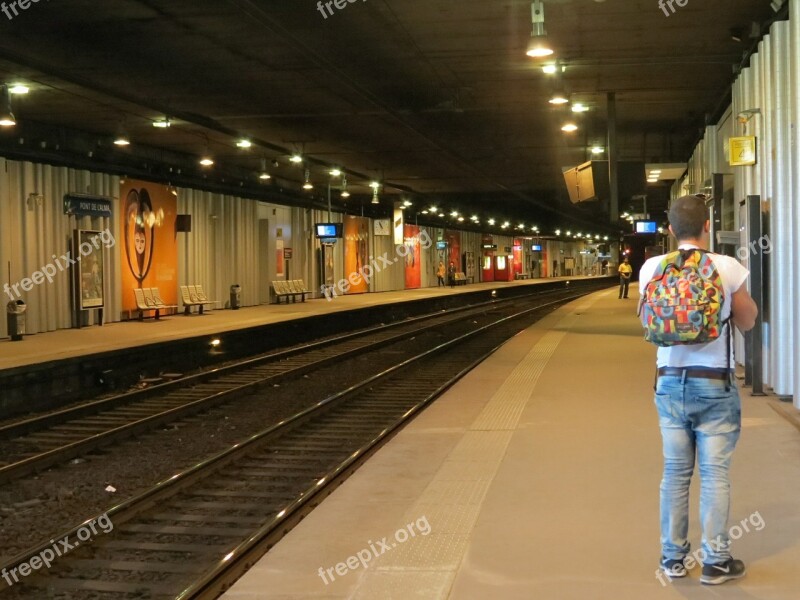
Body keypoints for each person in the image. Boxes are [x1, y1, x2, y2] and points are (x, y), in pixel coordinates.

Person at [639, 195, 757, 586]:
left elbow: (646, 319)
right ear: (707, 226)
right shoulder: (727, 266)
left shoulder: (652, 268)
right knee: (714, 474)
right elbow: (748, 320)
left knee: (674, 474)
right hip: (714, 385)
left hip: (670, 382)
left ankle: (673, 559)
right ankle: (716, 562)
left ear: (670, 231)